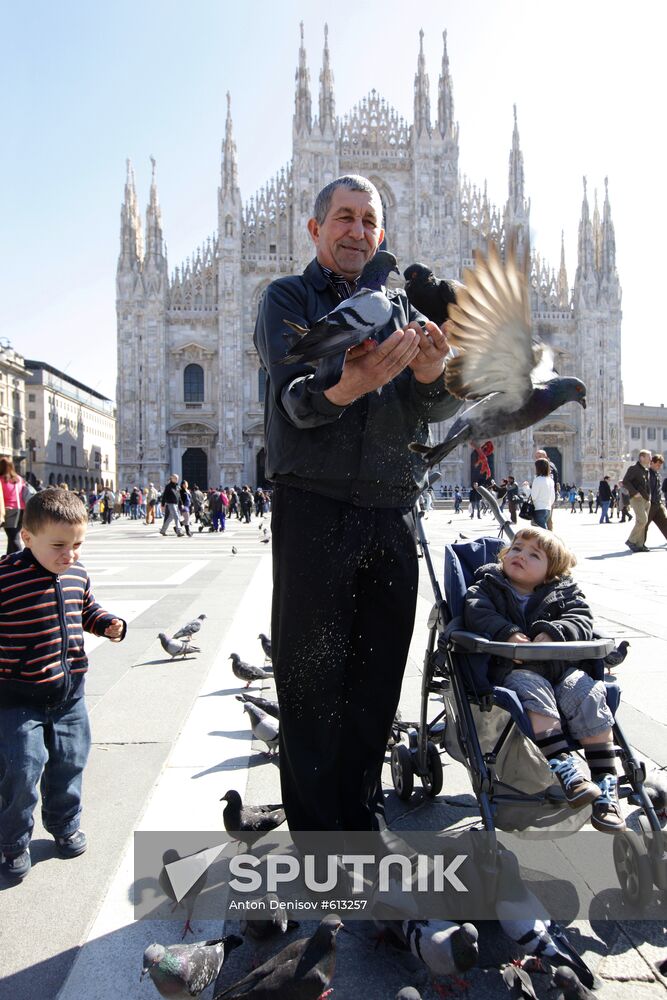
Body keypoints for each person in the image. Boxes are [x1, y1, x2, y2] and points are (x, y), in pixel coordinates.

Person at [254, 173, 458, 832]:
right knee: (310, 677)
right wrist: (348, 386)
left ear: (382, 234)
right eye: (344, 217)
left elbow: (435, 412)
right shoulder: (285, 298)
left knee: (375, 676)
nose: (357, 231)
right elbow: (293, 394)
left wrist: (431, 376)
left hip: (391, 505)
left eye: (369, 221)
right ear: (314, 228)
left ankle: (361, 819)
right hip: (312, 504)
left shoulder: (401, 307)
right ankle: (317, 838)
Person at [463, 527, 626, 833]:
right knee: (531, 692)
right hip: (515, 669)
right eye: (516, 548)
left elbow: (581, 619)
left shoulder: (566, 593)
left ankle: (606, 784)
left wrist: (552, 633)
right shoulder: (487, 586)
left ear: (551, 573)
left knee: (588, 693)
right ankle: (565, 767)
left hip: (562, 668)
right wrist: (507, 633)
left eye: (533, 554)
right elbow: (477, 613)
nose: (520, 555)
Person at [0, 489, 126, 881]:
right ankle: (13, 842)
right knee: (22, 770)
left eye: (77, 544)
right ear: (27, 538)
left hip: (70, 695)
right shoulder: (4, 578)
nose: (69, 554)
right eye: (59, 545)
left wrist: (106, 623)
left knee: (70, 763)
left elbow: (86, 608)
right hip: (19, 697)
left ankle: (64, 824)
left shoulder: (76, 573)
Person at [622, 450, 651, 552]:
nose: (650, 458)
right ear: (641, 458)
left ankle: (639, 544)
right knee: (643, 520)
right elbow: (625, 481)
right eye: (648, 456)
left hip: (646, 499)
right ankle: (631, 540)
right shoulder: (634, 469)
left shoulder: (645, 470)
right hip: (637, 498)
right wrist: (634, 492)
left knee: (642, 522)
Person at [0, 457, 26, 553]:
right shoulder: (19, 479)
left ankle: (21, 556)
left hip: (9, 510)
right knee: (13, 536)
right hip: (21, 509)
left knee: (13, 537)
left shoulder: (1, 480)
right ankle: (9, 558)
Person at [642, 454, 667, 547]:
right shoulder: (647, 473)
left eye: (660, 465)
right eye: (657, 465)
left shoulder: (657, 474)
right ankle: (639, 543)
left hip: (658, 503)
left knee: (665, 521)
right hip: (650, 504)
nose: (659, 467)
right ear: (651, 463)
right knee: (644, 524)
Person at [530, 458, 555, 530]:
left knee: (543, 534)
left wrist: (526, 489)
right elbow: (553, 497)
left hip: (539, 509)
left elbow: (534, 496)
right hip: (548, 510)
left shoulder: (537, 480)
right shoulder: (550, 480)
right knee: (543, 533)